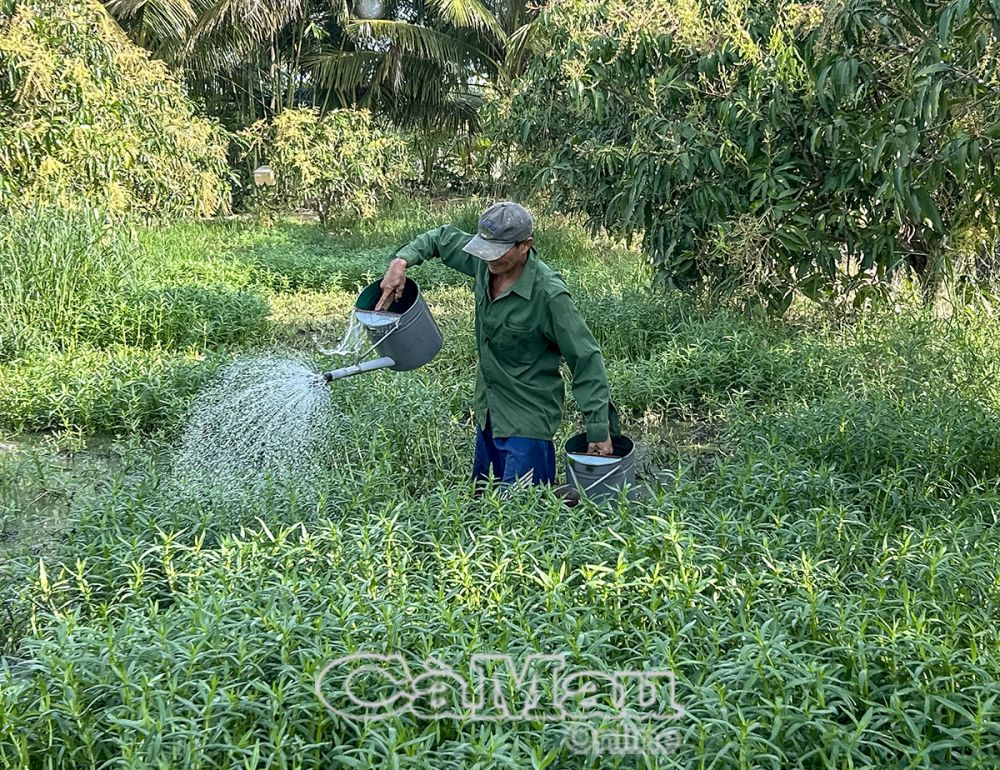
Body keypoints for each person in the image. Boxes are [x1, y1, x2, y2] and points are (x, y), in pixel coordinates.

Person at [376, 201, 613, 493]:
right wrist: (400, 262)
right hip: (488, 413)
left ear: (525, 245)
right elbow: (440, 238)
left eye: (498, 252)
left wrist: (599, 429)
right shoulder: (484, 262)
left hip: (527, 422)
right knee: (485, 508)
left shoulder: (549, 295)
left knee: (522, 520)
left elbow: (586, 358)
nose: (488, 259)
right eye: (484, 249)